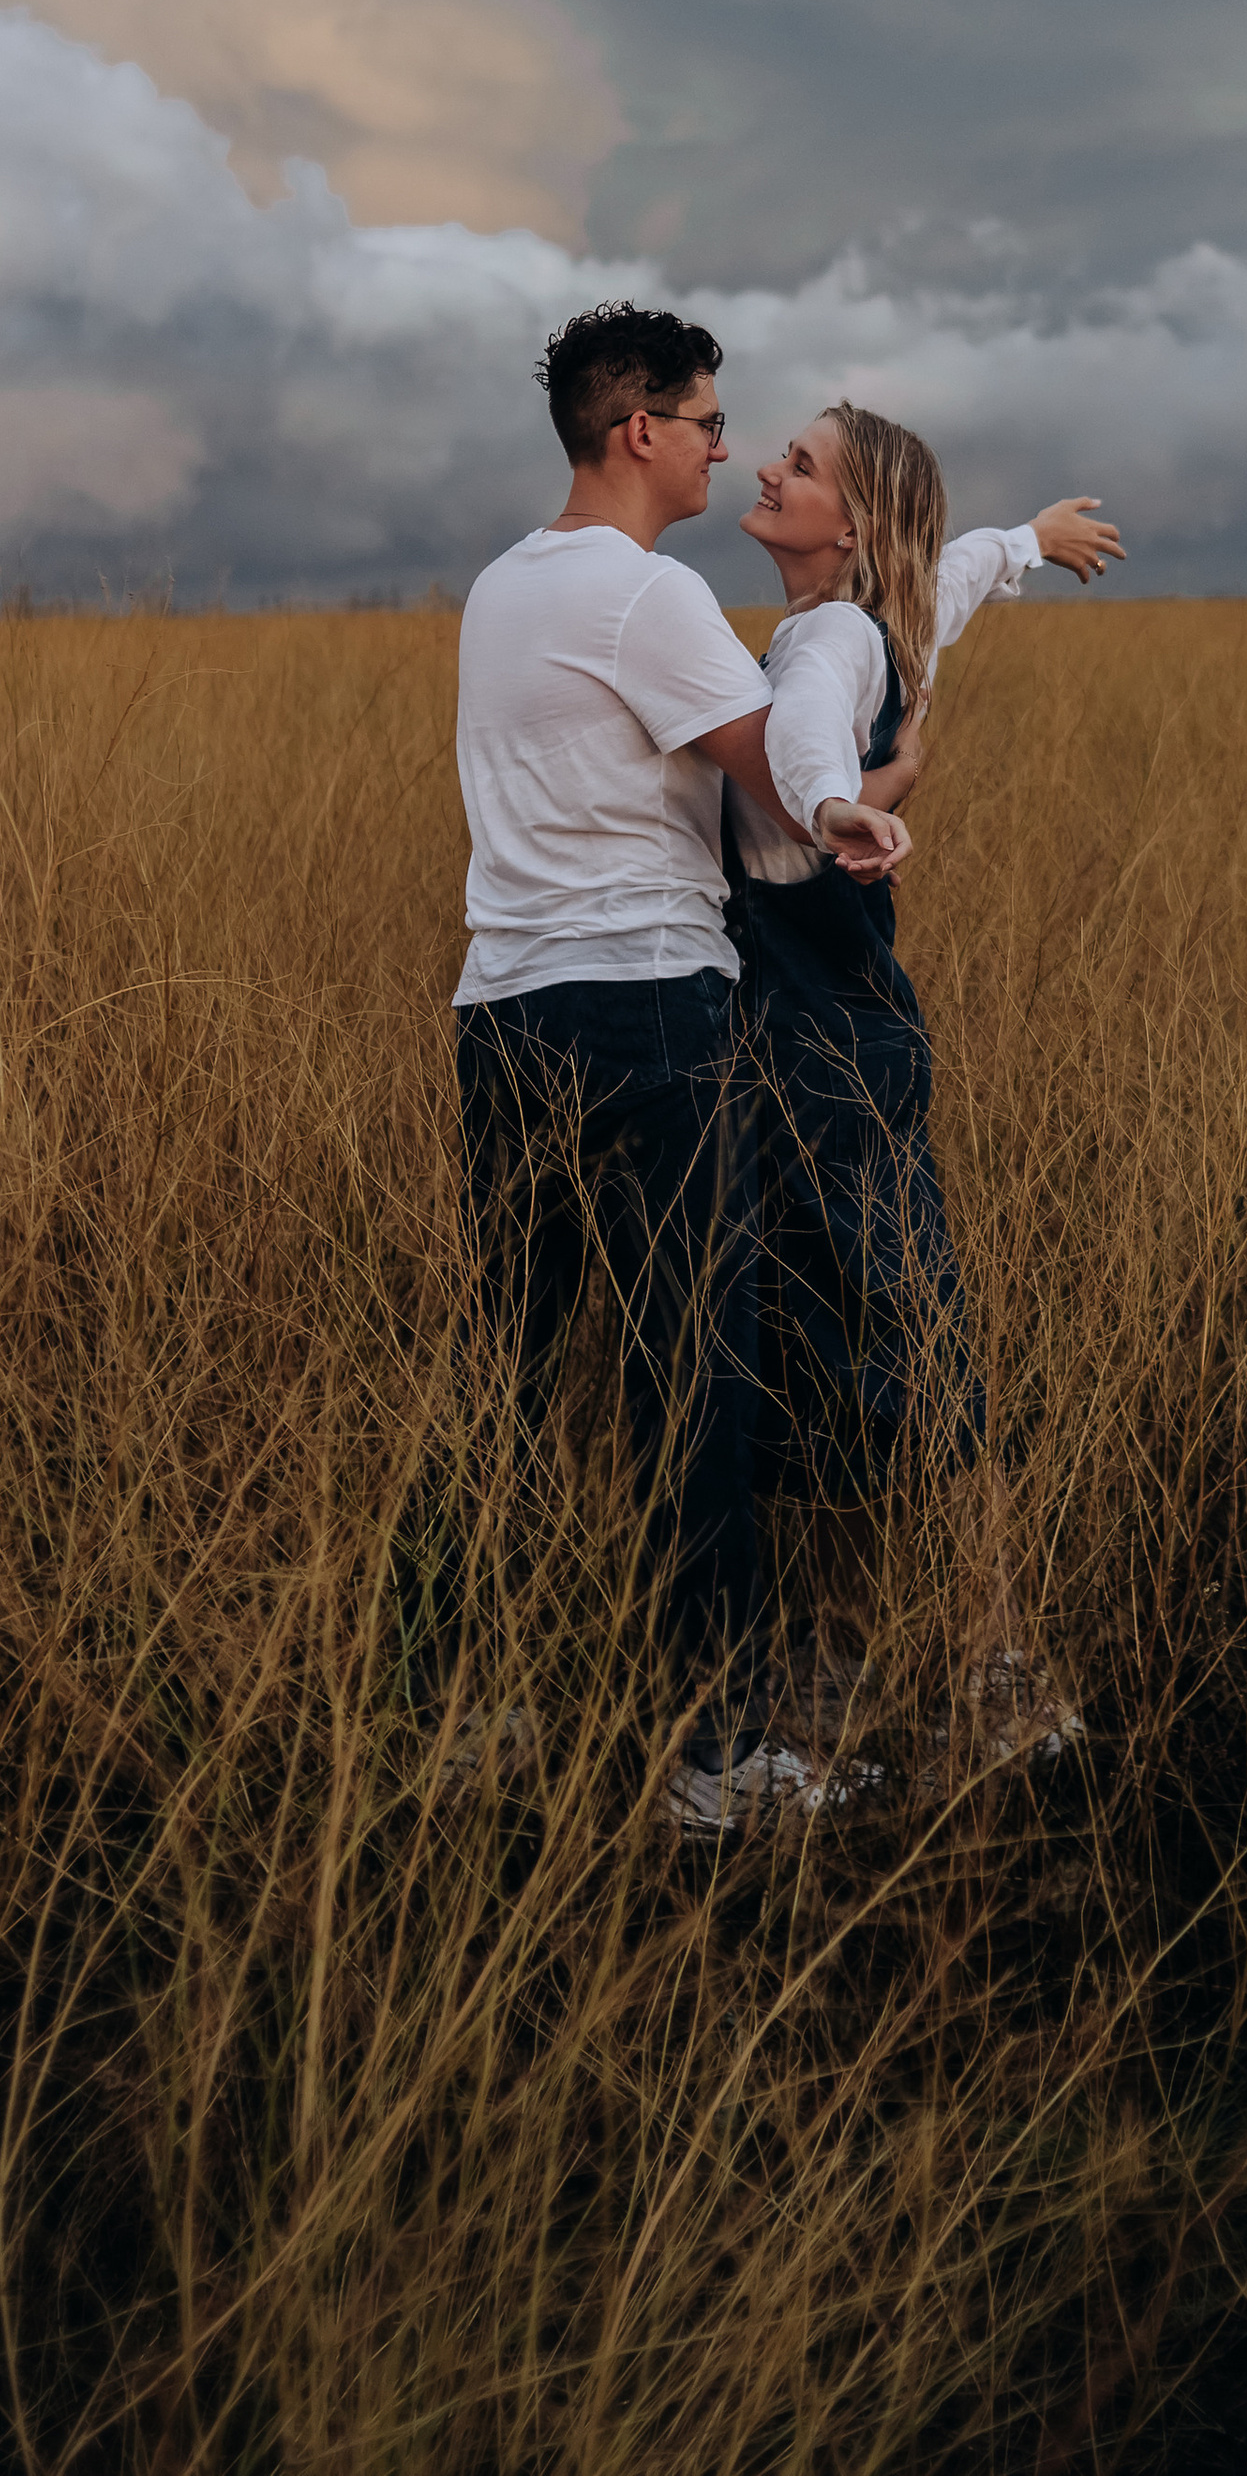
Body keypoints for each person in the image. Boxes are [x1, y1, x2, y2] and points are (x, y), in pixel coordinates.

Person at [451, 302, 905, 1835]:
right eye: (710, 421)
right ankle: (718, 1764)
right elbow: (782, 782)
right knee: (690, 1375)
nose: (726, 442)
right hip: (650, 1011)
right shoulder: (646, 597)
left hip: (503, 1014)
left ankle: (478, 1719)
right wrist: (885, 782)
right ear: (637, 429)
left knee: (510, 1374)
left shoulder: (501, 588)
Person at [731, 404, 1122, 1785]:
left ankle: (993, 1673)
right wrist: (1030, 539)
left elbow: (802, 750)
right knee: (832, 1345)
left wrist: (842, 807)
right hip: (825, 1040)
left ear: (851, 524)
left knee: (896, 1342)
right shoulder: (891, 608)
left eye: (799, 465)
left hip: (819, 1043)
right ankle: (858, 1671)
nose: (768, 470)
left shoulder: (834, 637)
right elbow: (953, 576)